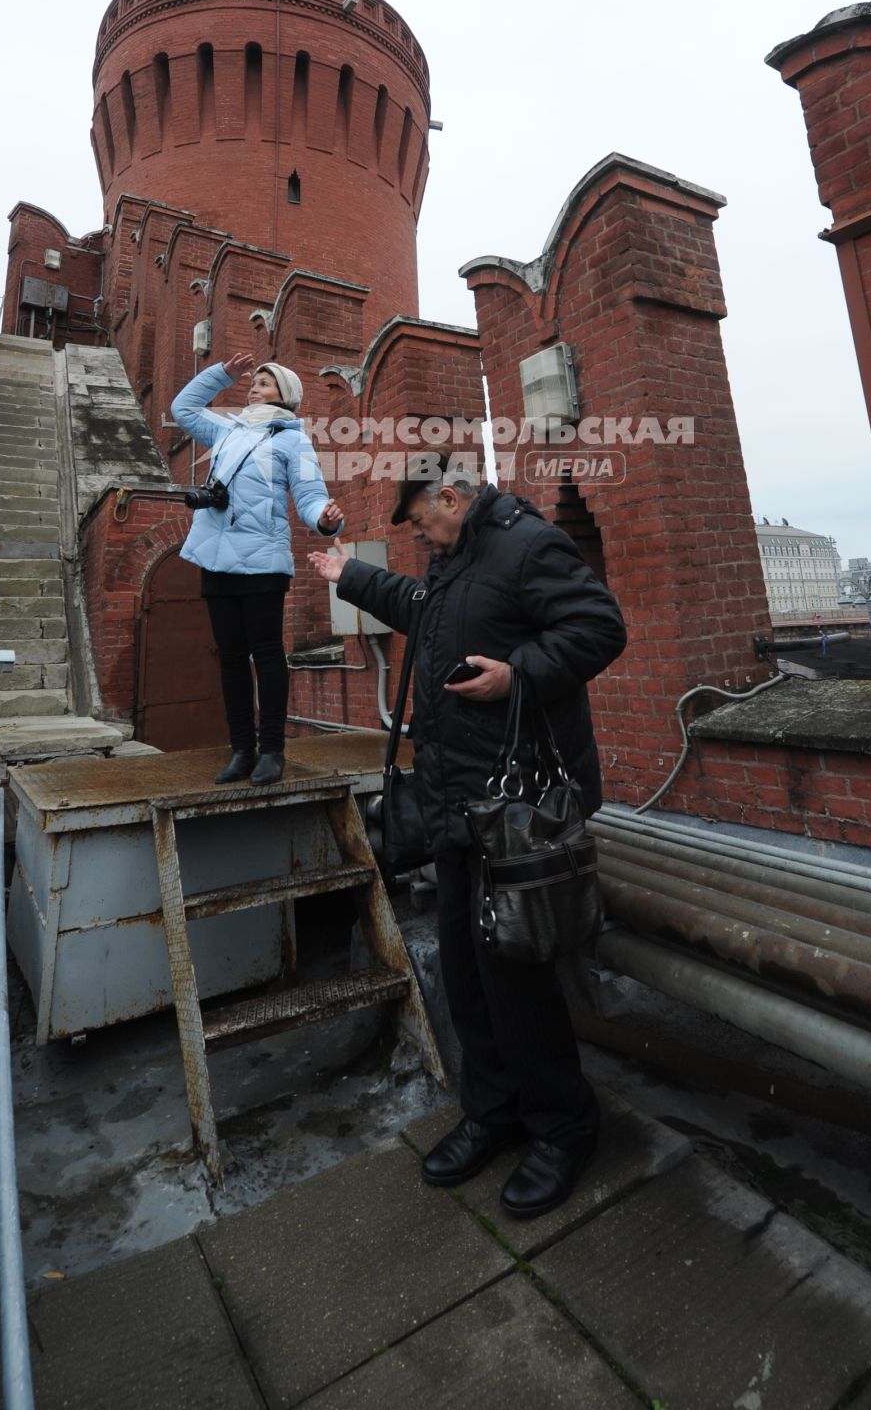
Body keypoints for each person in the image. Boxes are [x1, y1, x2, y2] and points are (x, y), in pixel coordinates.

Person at [309, 454, 626, 1219]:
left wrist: (517, 673)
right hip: (457, 803)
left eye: (422, 523)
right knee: (465, 975)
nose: (423, 540)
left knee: (515, 980)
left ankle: (561, 1127)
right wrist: (349, 575)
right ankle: (493, 1113)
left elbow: (599, 628)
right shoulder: (457, 562)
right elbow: (423, 609)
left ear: (450, 497)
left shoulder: (526, 544)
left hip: (513, 810)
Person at [172, 352, 343, 786]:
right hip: (216, 555)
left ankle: (271, 751)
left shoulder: (292, 440)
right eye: (254, 382)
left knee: (266, 655)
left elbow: (308, 493)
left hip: (264, 559)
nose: (254, 387)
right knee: (229, 657)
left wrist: (325, 519)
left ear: (285, 396)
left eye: (265, 383)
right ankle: (241, 750)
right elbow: (182, 409)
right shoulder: (228, 428)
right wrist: (221, 374)